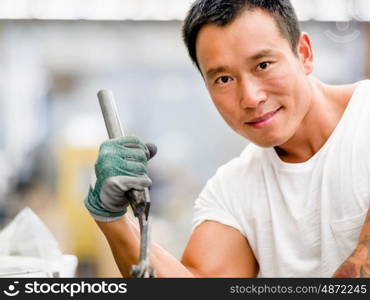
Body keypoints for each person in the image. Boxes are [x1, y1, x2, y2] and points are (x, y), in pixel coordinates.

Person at [84, 0, 370, 277]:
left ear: (304, 54)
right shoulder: (233, 188)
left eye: (263, 65)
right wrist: (113, 219)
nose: (250, 98)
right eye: (223, 80)